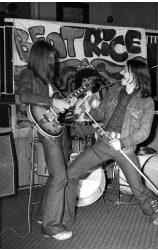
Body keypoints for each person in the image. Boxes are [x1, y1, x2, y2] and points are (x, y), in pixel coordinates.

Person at [62, 58, 158, 230]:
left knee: (137, 187)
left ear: (135, 75)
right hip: (104, 143)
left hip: (125, 148)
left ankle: (156, 209)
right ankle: (65, 219)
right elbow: (101, 113)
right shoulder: (114, 91)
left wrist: (123, 141)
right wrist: (88, 110)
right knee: (71, 171)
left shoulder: (146, 101)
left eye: (126, 70)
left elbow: (144, 131)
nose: (121, 73)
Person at [18, 40, 77, 240]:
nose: (54, 59)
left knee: (56, 176)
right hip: (46, 132)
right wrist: (53, 101)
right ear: (41, 56)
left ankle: (44, 216)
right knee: (60, 176)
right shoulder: (28, 74)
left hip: (59, 129)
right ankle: (51, 227)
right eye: (50, 56)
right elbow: (24, 96)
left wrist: (69, 102)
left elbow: (57, 106)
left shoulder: (49, 79)